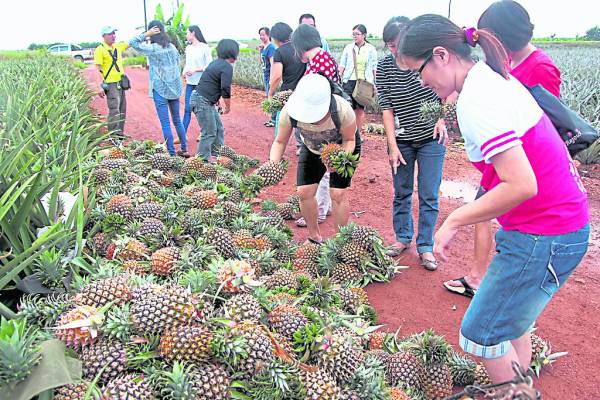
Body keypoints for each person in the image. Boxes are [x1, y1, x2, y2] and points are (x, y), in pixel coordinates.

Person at [399, 14, 589, 382]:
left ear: (441, 55)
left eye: (418, 71)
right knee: (511, 323)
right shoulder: (489, 77)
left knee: (480, 335)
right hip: (556, 226)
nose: (421, 82)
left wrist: (454, 220)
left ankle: (515, 392)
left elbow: (521, 185)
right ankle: (520, 387)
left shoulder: (477, 99)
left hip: (546, 233)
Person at [444, 0, 562, 297]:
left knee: (487, 211)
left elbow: (550, 118)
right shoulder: (505, 62)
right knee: (483, 213)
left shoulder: (541, 67)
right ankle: (477, 275)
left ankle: (483, 277)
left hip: (524, 159)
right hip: (503, 155)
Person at [375, 17, 447, 270]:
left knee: (428, 194)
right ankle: (403, 237)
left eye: (397, 43)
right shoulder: (384, 67)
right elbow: (386, 107)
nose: (394, 50)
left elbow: (448, 89)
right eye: (390, 45)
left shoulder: (426, 61)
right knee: (402, 191)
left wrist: (442, 118)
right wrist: (392, 145)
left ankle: (425, 246)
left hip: (431, 140)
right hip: (402, 140)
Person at [269, 74, 361, 244]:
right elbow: (280, 141)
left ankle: (341, 242)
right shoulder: (289, 111)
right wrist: (273, 165)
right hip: (312, 147)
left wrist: (341, 160)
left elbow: (350, 139)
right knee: (304, 192)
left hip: (342, 147)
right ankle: (313, 236)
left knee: (338, 193)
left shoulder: (342, 110)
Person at [291, 23, 342, 229]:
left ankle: (319, 210)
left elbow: (316, 96)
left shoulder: (318, 61)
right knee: (326, 165)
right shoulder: (323, 57)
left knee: (320, 166)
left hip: (323, 121)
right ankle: (325, 206)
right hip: (329, 119)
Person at [130, 21, 189, 157]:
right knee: (177, 120)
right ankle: (184, 149)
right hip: (174, 89)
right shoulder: (172, 47)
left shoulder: (153, 49)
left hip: (160, 89)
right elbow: (177, 65)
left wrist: (146, 34)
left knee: (165, 122)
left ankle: (172, 154)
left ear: (153, 32)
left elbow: (132, 42)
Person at [191, 39, 239, 161]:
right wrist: (228, 107)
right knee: (209, 132)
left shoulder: (215, 63)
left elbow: (210, 81)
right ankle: (201, 163)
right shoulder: (226, 67)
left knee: (218, 128)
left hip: (203, 99)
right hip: (202, 101)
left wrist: (215, 98)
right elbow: (225, 88)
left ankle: (218, 157)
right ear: (232, 53)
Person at [338, 24, 378, 134]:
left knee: (360, 109)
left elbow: (374, 66)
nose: (354, 36)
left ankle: (358, 133)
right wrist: (338, 75)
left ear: (364, 35)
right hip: (349, 81)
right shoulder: (348, 48)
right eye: (353, 34)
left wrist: (375, 83)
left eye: (357, 34)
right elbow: (342, 64)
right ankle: (347, 132)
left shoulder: (371, 49)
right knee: (348, 108)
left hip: (364, 83)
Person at [94, 26, 129, 135]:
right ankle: (113, 135)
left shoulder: (117, 47)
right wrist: (99, 85)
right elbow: (97, 68)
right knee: (114, 110)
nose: (113, 36)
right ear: (104, 36)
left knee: (122, 109)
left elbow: (132, 41)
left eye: (114, 33)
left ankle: (119, 134)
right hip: (111, 84)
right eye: (110, 34)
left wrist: (148, 34)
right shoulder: (100, 49)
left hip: (120, 83)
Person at [182, 25, 212, 134]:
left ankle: (203, 133)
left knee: (201, 109)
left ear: (193, 33)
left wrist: (195, 70)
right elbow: (187, 64)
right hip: (190, 83)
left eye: (187, 33)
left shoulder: (205, 47)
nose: (186, 35)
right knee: (187, 109)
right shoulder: (188, 48)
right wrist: (184, 72)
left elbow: (209, 66)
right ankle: (182, 134)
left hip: (201, 83)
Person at [259, 26, 277, 127]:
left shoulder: (271, 48)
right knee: (269, 96)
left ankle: (274, 120)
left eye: (263, 35)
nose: (261, 37)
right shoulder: (264, 47)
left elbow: (273, 64)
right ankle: (272, 119)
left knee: (272, 97)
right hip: (265, 75)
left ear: (268, 35)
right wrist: (260, 51)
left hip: (270, 76)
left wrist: (271, 79)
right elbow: (261, 62)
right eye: (260, 35)